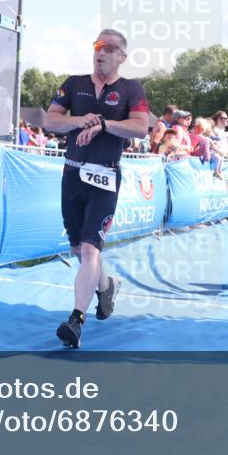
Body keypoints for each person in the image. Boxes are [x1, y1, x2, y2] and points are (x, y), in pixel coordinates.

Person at [44, 29, 149, 348]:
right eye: (96, 46)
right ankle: (106, 286)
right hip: (72, 174)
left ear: (122, 56)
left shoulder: (131, 88)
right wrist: (78, 121)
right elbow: (50, 121)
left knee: (91, 249)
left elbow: (141, 128)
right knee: (78, 250)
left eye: (108, 48)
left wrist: (103, 124)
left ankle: (76, 319)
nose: (100, 52)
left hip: (105, 177)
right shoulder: (74, 84)